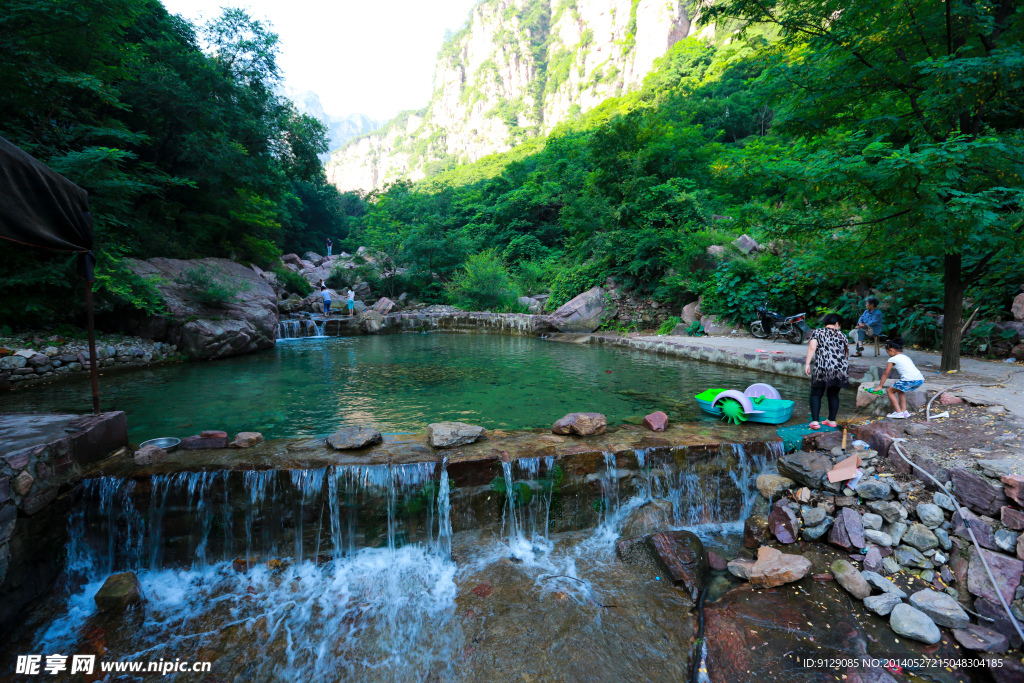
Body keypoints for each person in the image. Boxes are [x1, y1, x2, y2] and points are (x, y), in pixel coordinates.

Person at [804, 313, 849, 430]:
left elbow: (812, 347)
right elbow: (846, 354)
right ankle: (832, 420)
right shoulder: (842, 335)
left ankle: (815, 422)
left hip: (823, 367)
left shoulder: (818, 332)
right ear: (837, 323)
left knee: (816, 394)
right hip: (840, 369)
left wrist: (807, 363)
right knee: (833, 394)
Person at [876, 337, 924, 419]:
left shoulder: (892, 359)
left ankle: (899, 413)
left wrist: (880, 386)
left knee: (890, 391)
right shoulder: (906, 357)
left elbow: (886, 373)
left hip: (909, 379)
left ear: (891, 350)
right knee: (900, 391)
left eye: (888, 352)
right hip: (919, 379)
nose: (888, 354)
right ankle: (904, 411)